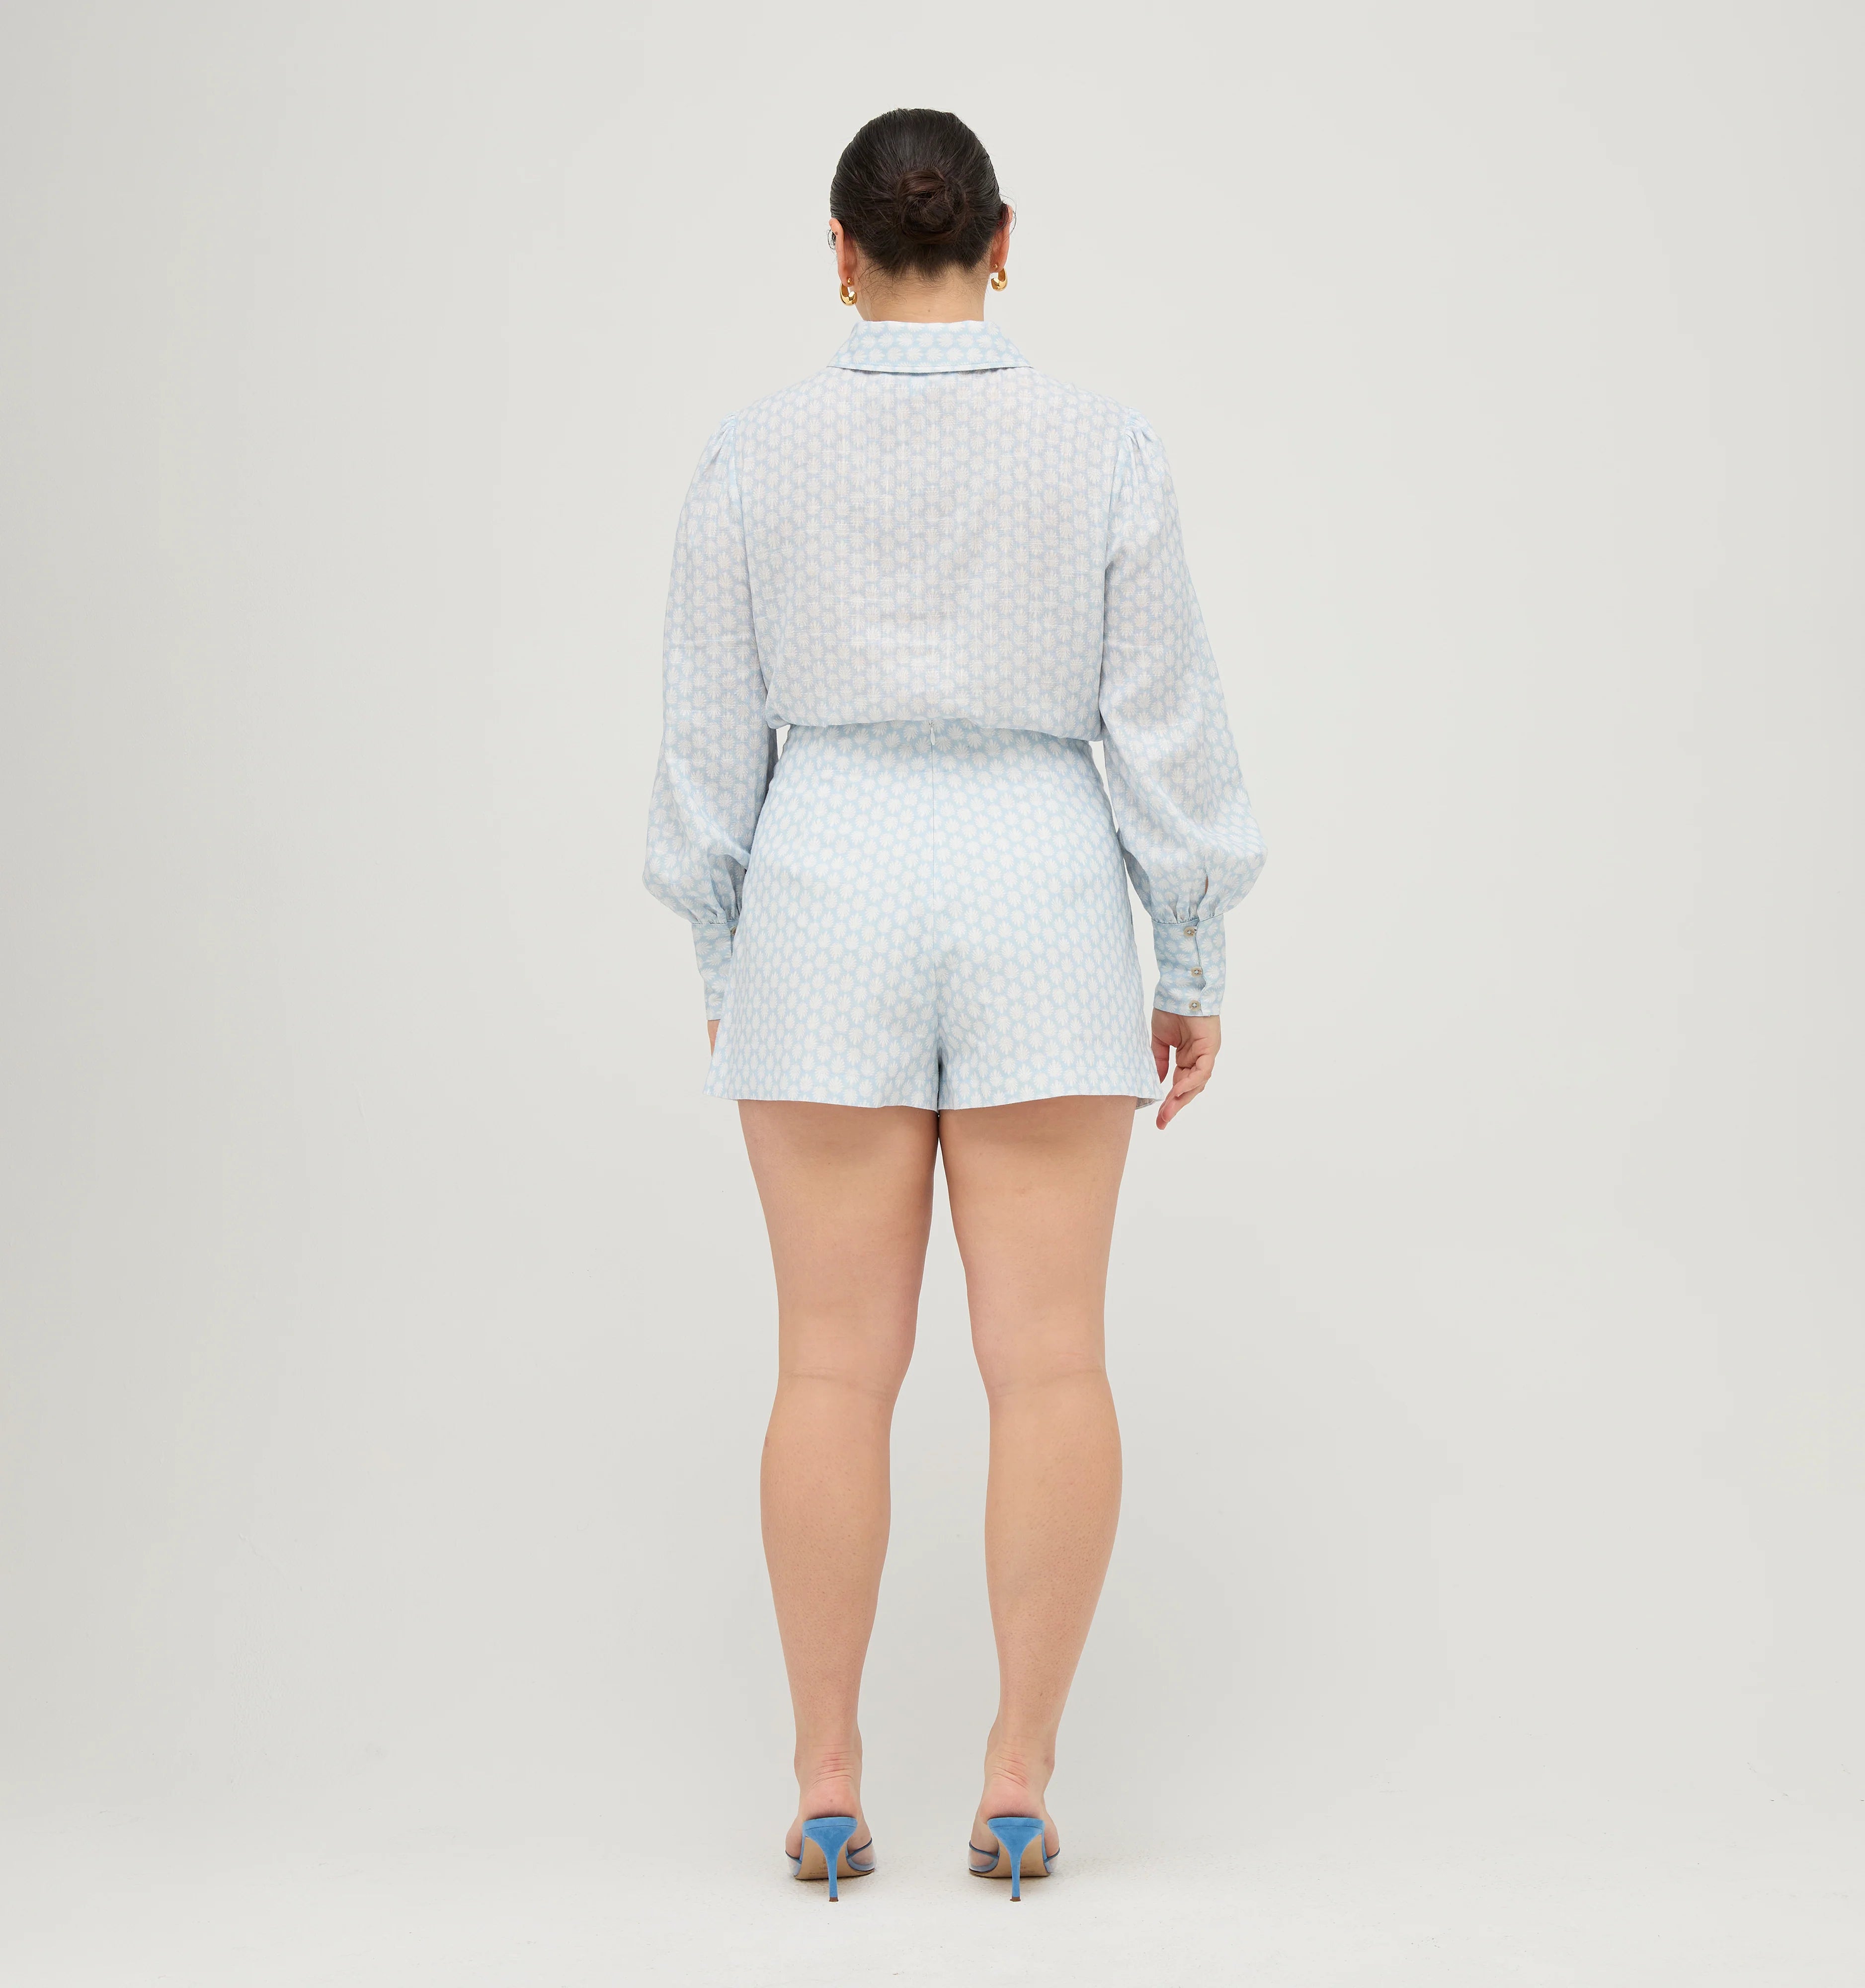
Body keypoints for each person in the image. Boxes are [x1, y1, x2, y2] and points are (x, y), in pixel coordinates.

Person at [644, 106, 1265, 1900]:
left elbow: (706, 747)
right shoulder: (1102, 447)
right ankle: (1015, 1786)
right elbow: (1163, 727)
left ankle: (827, 1787)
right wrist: (1189, 958)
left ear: (838, 254)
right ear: (1004, 240)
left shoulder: (750, 456)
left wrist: (726, 958)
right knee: (1049, 1359)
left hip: (825, 892)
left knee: (828, 1367)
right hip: (1038, 891)